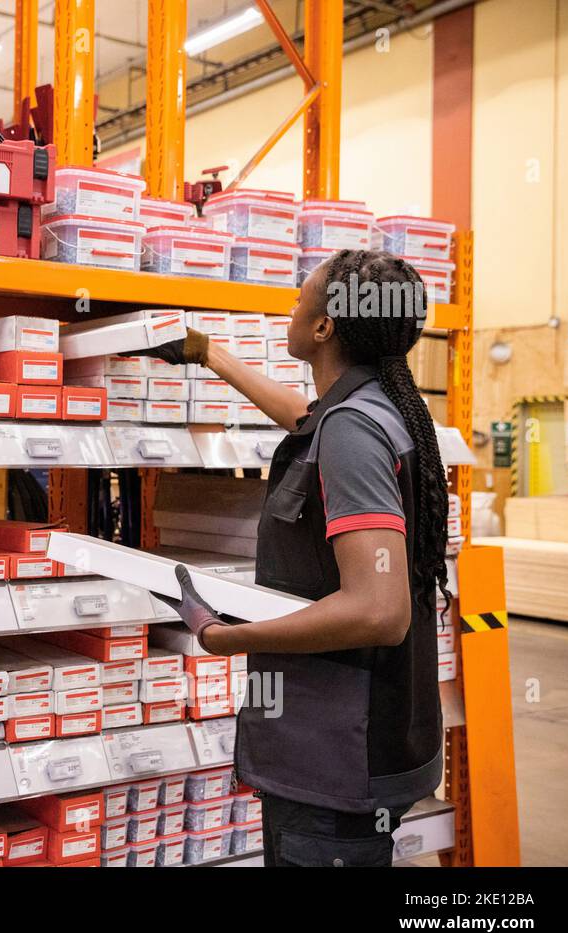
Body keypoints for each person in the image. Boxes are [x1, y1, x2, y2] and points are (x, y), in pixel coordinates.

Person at [152, 249, 448, 867]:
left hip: (337, 753)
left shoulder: (352, 432)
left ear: (323, 328)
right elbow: (302, 418)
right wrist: (211, 355)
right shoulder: (370, 412)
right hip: (363, 739)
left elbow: (377, 612)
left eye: (299, 297)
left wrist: (225, 638)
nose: (289, 304)